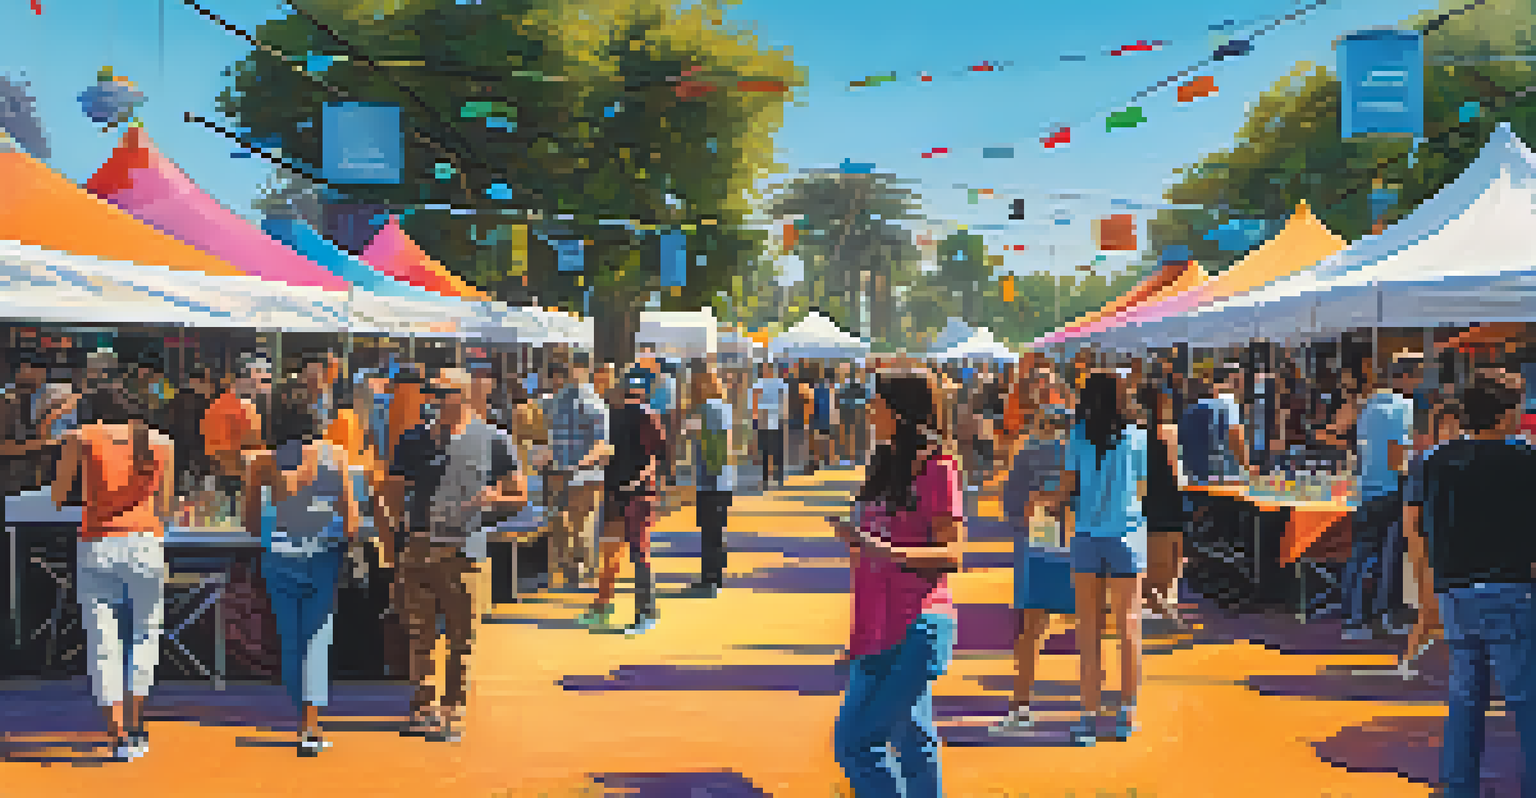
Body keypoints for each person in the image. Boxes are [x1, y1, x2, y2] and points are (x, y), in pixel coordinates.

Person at [829, 370, 964, 798]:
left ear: (899, 412)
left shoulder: (939, 468)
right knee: (912, 739)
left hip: (915, 627)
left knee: (857, 744)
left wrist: (885, 551)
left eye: (877, 404)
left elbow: (952, 555)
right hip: (876, 630)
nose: (870, 412)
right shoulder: (885, 463)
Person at [383, 367, 526, 743]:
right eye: (431, 392)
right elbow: (391, 492)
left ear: (463, 396)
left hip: (466, 551)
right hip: (419, 548)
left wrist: (493, 500)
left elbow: (519, 497)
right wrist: (397, 538)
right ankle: (423, 707)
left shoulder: (494, 440)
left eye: (442, 393)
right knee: (420, 635)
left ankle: (453, 710)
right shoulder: (412, 439)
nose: (433, 399)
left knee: (462, 638)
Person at [1416, 368, 1536, 798]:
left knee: (1466, 700)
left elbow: (1422, 525)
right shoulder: (1525, 460)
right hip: (1511, 589)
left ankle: (1459, 788)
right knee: (1526, 701)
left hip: (1455, 591)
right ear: (1505, 414)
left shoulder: (1435, 461)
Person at [52, 385, 173, 761]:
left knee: (103, 640)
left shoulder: (82, 438)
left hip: (98, 542)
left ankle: (117, 732)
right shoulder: (160, 443)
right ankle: (137, 722)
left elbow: (58, 495)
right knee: (145, 632)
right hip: (145, 542)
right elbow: (165, 506)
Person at [241, 383, 361, 756]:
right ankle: (310, 723)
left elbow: (248, 521)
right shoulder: (335, 456)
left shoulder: (263, 462)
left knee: (290, 640)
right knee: (316, 638)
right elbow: (352, 520)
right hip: (323, 554)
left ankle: (303, 714)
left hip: (279, 555)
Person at [1062, 372, 1148, 745]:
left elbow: (1067, 486)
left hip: (1087, 535)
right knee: (1129, 625)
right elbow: (1142, 488)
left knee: (1088, 628)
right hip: (1126, 534)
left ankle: (1088, 715)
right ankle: (1126, 713)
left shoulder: (1078, 434)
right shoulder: (1138, 435)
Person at [993, 401, 1071, 735]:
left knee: (1030, 627)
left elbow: (1011, 506)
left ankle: (1021, 705)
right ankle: (1097, 710)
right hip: (1084, 543)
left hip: (1039, 544)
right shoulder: (1089, 452)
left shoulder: (1028, 454)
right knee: (1093, 625)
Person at [581, 370, 666, 633]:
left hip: (631, 492)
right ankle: (605, 606)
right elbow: (658, 455)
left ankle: (644, 612)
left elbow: (655, 456)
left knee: (630, 552)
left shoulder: (633, 415)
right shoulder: (623, 415)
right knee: (620, 551)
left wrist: (638, 480)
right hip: (623, 490)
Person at [1341, 356, 1416, 641]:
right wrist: (1409, 473)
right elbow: (1398, 454)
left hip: (1366, 489)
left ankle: (1354, 619)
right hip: (1391, 489)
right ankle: (1387, 615)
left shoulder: (1367, 408)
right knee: (1390, 557)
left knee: (1360, 557)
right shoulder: (1402, 407)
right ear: (1406, 377)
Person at [1399, 398, 1460, 673]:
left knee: (1440, 614)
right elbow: (1411, 516)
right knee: (1428, 611)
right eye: (1450, 426)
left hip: (1449, 548)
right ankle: (1409, 664)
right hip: (1427, 546)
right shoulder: (1423, 462)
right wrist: (1418, 559)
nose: (1456, 432)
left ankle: (1412, 665)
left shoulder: (1461, 461)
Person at [544, 356, 611, 591]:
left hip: (566, 470)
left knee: (567, 519)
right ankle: (581, 568)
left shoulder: (558, 402)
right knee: (581, 520)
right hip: (583, 472)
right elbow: (602, 442)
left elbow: (549, 433)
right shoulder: (593, 402)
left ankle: (571, 566)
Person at [1138, 383, 1187, 628]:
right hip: (1167, 497)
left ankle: (1159, 606)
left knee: (1152, 557)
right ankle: (1164, 608)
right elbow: (1176, 469)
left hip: (1147, 500)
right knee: (1171, 557)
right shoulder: (1168, 432)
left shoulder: (1131, 433)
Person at [685, 370, 734, 597]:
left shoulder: (708, 409)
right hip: (722, 479)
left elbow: (715, 444)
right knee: (716, 532)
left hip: (710, 480)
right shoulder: (724, 407)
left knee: (709, 533)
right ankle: (714, 579)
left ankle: (710, 582)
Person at [751, 362, 789, 490]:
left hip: (774, 419)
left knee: (775, 450)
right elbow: (754, 402)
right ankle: (768, 478)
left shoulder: (778, 384)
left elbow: (784, 401)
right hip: (765, 419)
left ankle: (777, 477)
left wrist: (784, 416)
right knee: (767, 451)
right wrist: (755, 419)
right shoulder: (761, 384)